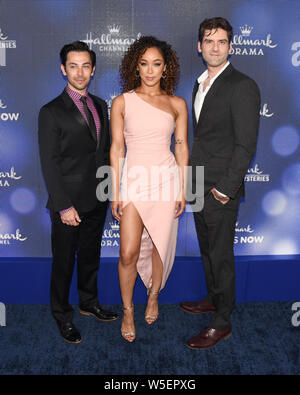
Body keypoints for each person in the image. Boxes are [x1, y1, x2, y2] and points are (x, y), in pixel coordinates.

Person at [180, 17, 260, 349]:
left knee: (222, 255)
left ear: (230, 46)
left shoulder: (242, 85)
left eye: (222, 42)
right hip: (198, 183)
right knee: (208, 251)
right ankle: (213, 298)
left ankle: (221, 320)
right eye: (209, 42)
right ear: (199, 46)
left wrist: (225, 189)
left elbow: (245, 146)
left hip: (220, 189)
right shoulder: (200, 84)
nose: (215, 47)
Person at [38, 41, 118, 344]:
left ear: (93, 69)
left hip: (97, 198)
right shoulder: (51, 112)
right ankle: (62, 316)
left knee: (90, 257)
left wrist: (108, 193)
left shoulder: (100, 105)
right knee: (63, 263)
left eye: (86, 66)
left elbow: (104, 152)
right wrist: (63, 206)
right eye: (73, 66)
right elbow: (50, 163)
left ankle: (89, 302)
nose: (80, 72)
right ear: (63, 69)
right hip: (68, 205)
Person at [110, 36, 189, 342]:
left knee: (160, 244)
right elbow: (117, 149)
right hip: (133, 180)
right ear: (135, 66)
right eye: (144, 63)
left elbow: (181, 147)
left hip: (167, 179)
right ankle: (128, 309)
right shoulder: (122, 102)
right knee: (127, 252)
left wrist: (185, 189)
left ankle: (153, 294)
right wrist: (114, 191)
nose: (150, 70)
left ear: (165, 67)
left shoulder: (176, 104)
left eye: (156, 63)